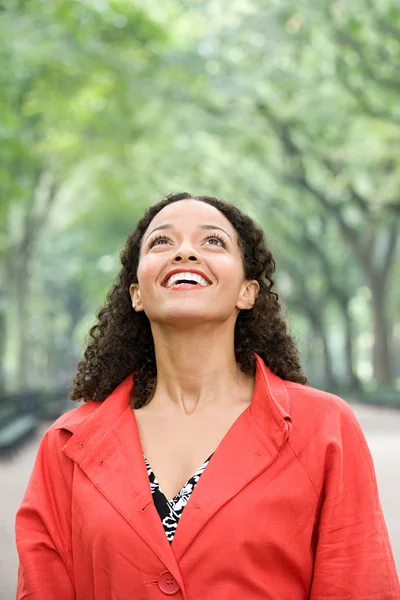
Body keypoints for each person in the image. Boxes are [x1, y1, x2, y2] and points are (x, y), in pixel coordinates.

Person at [15, 192, 399, 599]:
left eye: (212, 241)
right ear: (137, 294)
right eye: (161, 242)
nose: (184, 252)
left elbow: (358, 583)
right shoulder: (67, 445)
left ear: (248, 292)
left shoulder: (325, 430)